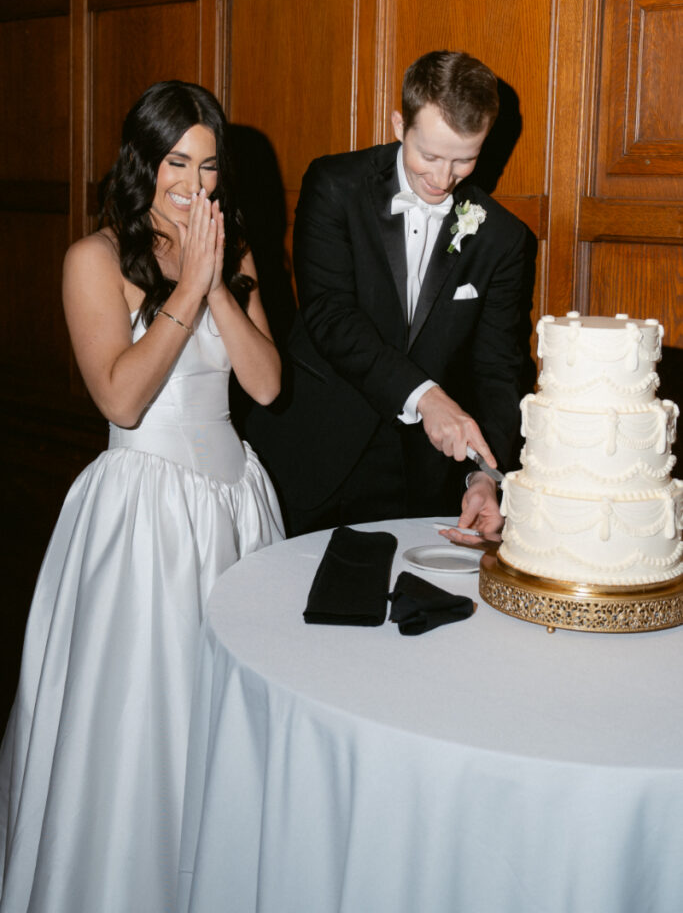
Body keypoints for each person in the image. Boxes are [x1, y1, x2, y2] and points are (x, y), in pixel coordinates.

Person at [0, 81, 284, 912]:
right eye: (174, 163)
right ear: (143, 162)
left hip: (236, 506)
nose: (191, 183)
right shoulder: (92, 259)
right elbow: (120, 400)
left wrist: (218, 278)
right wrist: (185, 290)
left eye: (206, 165)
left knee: (225, 722)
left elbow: (265, 388)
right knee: (139, 724)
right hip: (142, 517)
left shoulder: (233, 251)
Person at [248, 50, 527, 539]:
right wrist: (426, 398)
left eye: (465, 160)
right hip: (312, 454)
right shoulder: (334, 185)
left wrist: (484, 475)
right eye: (431, 156)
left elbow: (497, 370)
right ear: (400, 123)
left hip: (418, 480)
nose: (443, 180)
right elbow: (330, 316)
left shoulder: (504, 238)